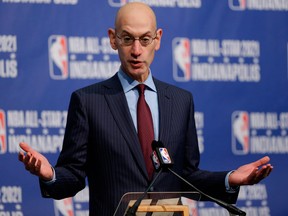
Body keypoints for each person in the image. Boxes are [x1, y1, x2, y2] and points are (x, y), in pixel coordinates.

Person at [18, 2, 273, 215]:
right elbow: (72, 176)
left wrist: (229, 179)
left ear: (158, 39)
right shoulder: (89, 101)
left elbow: (187, 176)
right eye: (127, 38)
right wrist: (49, 172)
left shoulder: (181, 100)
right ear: (112, 39)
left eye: (145, 39)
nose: (136, 50)